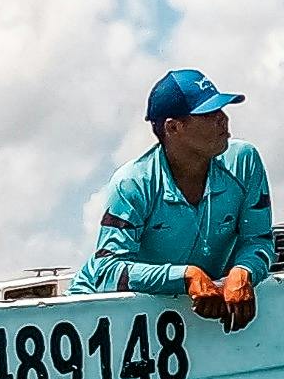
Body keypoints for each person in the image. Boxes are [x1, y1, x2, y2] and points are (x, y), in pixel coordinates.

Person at [71, 66, 272, 330]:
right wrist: (185, 276)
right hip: (98, 313)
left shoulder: (244, 161)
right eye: (209, 113)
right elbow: (107, 272)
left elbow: (259, 240)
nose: (223, 119)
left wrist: (243, 271)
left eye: (221, 110)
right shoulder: (132, 183)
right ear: (173, 127)